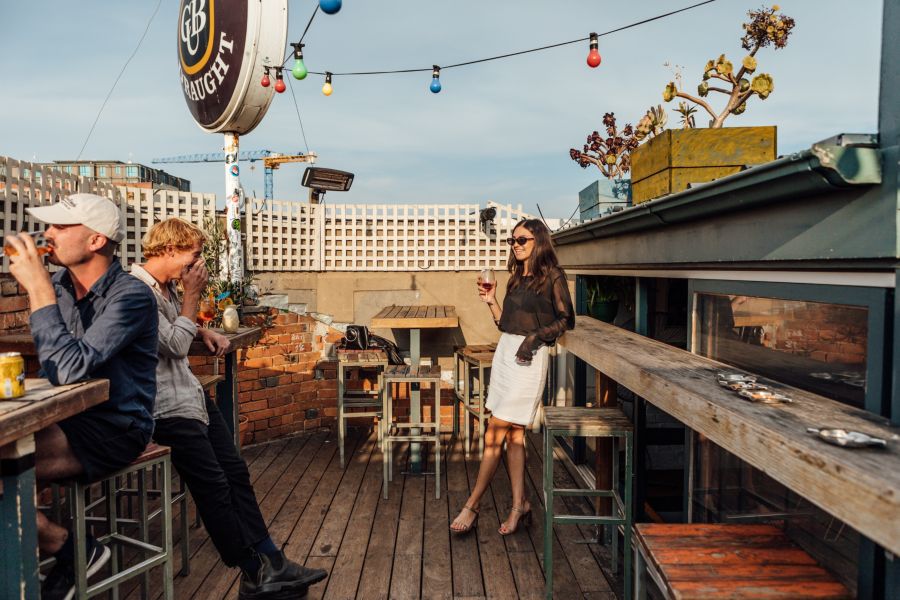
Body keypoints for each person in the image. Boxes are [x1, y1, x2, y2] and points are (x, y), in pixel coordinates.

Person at [130, 217, 327, 599]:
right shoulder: (137, 291)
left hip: (188, 395)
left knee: (235, 471)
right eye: (195, 255)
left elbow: (175, 330)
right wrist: (192, 300)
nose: (199, 264)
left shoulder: (165, 289)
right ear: (169, 250)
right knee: (215, 488)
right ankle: (255, 572)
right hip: (163, 407)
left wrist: (200, 328)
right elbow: (170, 344)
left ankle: (273, 560)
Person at [5, 193, 159, 599]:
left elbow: (68, 368)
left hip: (117, 424)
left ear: (95, 241)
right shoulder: (58, 284)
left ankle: (68, 547)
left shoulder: (131, 296)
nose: (47, 233)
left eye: (59, 226)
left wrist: (37, 287)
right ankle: (44, 550)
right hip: (67, 416)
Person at [450, 219, 575, 536]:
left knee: (494, 432)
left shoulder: (553, 277)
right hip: (507, 353)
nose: (516, 245)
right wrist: (490, 301)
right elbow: (505, 324)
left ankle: (473, 504)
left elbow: (567, 319)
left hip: (529, 359)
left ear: (539, 241)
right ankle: (520, 504)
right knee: (514, 435)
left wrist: (534, 339)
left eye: (522, 239)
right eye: (512, 240)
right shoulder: (516, 278)